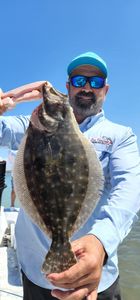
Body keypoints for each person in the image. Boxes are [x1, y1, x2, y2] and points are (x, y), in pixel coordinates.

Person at [0, 51, 140, 300]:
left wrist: (100, 242)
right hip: (34, 271)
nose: (87, 87)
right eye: (78, 81)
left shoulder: (121, 135)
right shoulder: (33, 125)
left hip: (96, 275)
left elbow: (129, 190)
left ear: (105, 90)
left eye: (95, 82)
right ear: (68, 87)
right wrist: (8, 101)